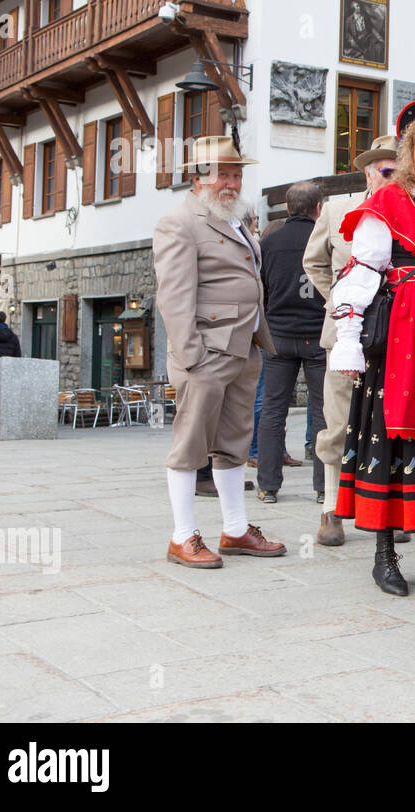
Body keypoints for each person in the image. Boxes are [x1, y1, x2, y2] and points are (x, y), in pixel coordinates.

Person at [328, 98, 415, 596]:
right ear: (410, 149)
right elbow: (362, 269)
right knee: (393, 440)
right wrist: (348, 338)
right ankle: (385, 553)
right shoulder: (386, 202)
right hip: (401, 335)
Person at [153, 135, 286, 568]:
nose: (231, 181)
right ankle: (182, 537)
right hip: (205, 353)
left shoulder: (234, 220)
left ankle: (234, 530)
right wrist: (191, 356)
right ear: (198, 178)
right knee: (190, 444)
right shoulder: (179, 222)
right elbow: (174, 296)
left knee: (233, 442)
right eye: (221, 173)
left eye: (236, 173)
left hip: (244, 347)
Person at [303, 135, 400, 547]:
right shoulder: (339, 209)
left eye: (400, 168)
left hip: (400, 334)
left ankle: (388, 509)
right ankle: (330, 508)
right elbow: (314, 262)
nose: (393, 176)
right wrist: (341, 302)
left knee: (392, 421)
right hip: (345, 334)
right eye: (386, 169)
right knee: (339, 420)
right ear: (368, 171)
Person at [256, 181, 328, 504]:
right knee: (324, 411)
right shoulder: (323, 239)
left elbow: (262, 290)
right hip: (316, 334)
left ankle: (268, 485)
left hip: (279, 336)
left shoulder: (269, 242)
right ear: (318, 208)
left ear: (287, 208)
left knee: (273, 409)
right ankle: (324, 486)